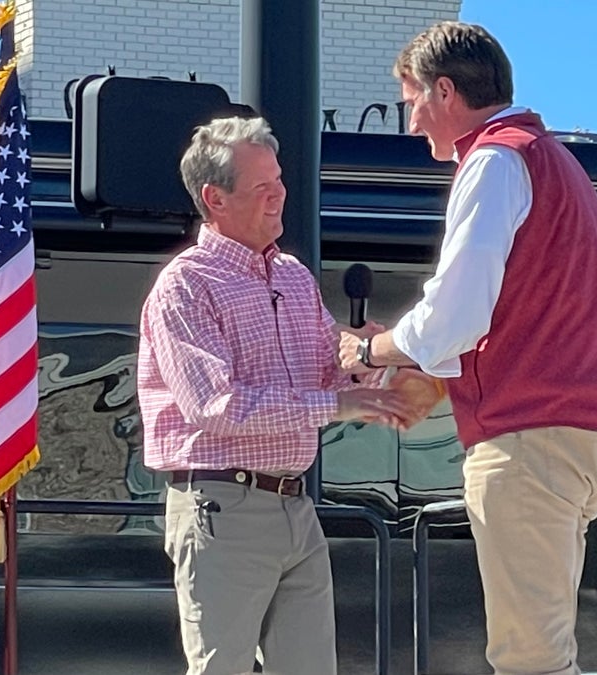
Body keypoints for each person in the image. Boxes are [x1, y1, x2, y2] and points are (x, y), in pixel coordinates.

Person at [337, 21, 597, 675]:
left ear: (444, 92)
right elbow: (501, 314)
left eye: (410, 101)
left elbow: (458, 313)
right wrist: (426, 365)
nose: (411, 125)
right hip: (578, 433)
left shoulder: (496, 159)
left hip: (528, 436)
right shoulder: (553, 159)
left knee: (531, 661)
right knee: (545, 650)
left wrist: (371, 352)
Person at [138, 116, 415, 675]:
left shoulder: (292, 276)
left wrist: (367, 360)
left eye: (280, 180)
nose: (280, 195)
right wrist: (338, 404)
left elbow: (326, 373)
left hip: (296, 505)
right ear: (215, 199)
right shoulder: (185, 284)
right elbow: (215, 407)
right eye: (263, 187)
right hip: (220, 506)